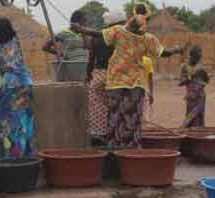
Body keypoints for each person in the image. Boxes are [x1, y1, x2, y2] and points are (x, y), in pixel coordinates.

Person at [72, 13, 186, 147]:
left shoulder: (119, 31)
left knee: (115, 118)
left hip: (116, 82)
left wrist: (81, 29)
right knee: (132, 119)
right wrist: (177, 49)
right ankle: (131, 149)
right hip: (136, 84)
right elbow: (163, 53)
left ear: (129, 22)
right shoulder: (148, 39)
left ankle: (113, 148)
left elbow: (97, 34)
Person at [0, 0, 37, 158]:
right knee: (24, 120)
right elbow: (3, 28)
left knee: (7, 123)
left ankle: (9, 156)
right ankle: (28, 155)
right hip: (26, 83)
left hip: (10, 86)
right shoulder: (15, 40)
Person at [84, 10, 123, 146]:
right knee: (115, 106)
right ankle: (115, 136)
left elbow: (91, 58)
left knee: (97, 106)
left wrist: (88, 74)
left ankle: (98, 135)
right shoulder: (122, 37)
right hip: (116, 76)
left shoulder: (97, 37)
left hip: (98, 75)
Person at [180, 45, 206, 128]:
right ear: (191, 56)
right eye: (197, 57)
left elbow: (206, 81)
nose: (198, 60)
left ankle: (199, 137)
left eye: (199, 58)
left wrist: (204, 74)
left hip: (201, 96)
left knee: (200, 118)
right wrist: (191, 76)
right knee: (190, 117)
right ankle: (185, 132)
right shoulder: (184, 66)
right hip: (191, 96)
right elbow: (181, 82)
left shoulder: (200, 66)